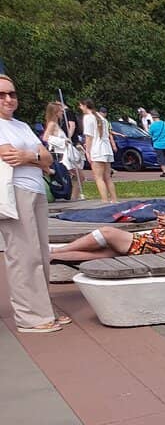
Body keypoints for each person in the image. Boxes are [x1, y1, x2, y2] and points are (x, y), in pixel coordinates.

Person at [0, 74, 70, 333]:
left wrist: (31, 155)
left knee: (40, 252)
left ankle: (43, 307)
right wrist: (36, 156)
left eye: (12, 94)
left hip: (35, 190)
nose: (9, 99)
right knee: (22, 255)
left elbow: (48, 159)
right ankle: (30, 316)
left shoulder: (20, 125)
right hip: (14, 192)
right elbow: (9, 156)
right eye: (2, 95)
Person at [51, 184, 165, 262]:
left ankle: (61, 249)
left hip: (148, 246)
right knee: (98, 255)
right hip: (148, 242)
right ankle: (51, 256)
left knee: (107, 232)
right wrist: (164, 223)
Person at [42, 101, 82, 200]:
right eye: (60, 111)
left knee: (77, 176)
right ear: (55, 112)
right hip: (61, 155)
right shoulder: (52, 124)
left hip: (65, 152)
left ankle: (73, 197)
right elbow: (46, 137)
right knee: (77, 176)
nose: (62, 113)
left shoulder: (56, 124)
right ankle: (72, 198)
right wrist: (62, 141)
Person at [80, 98, 117, 203]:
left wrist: (87, 151)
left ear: (85, 106)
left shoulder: (88, 118)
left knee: (98, 177)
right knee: (107, 177)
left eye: (81, 106)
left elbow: (89, 136)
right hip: (106, 149)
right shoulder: (101, 118)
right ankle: (114, 199)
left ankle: (104, 200)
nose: (80, 108)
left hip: (97, 149)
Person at [149, 109, 165, 178]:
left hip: (158, 144)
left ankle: (164, 172)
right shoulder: (164, 123)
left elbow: (150, 134)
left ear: (153, 117)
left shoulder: (152, 125)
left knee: (161, 158)